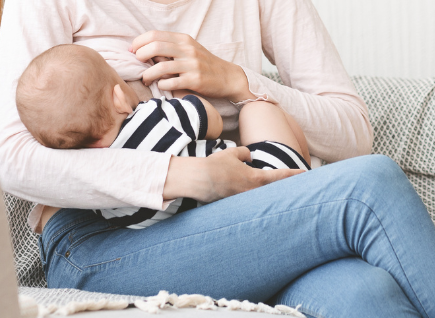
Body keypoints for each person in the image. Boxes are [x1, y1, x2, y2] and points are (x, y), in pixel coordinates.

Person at [0, 0, 435, 318]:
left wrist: (237, 80)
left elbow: (352, 130)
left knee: (366, 292)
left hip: (249, 220)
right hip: (104, 244)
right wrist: (188, 176)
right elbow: (14, 161)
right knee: (368, 188)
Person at [15, 43, 310, 229]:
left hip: (208, 223)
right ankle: (306, 173)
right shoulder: (152, 117)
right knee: (258, 107)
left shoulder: (100, 191)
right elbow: (213, 121)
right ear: (119, 98)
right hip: (258, 181)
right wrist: (178, 92)